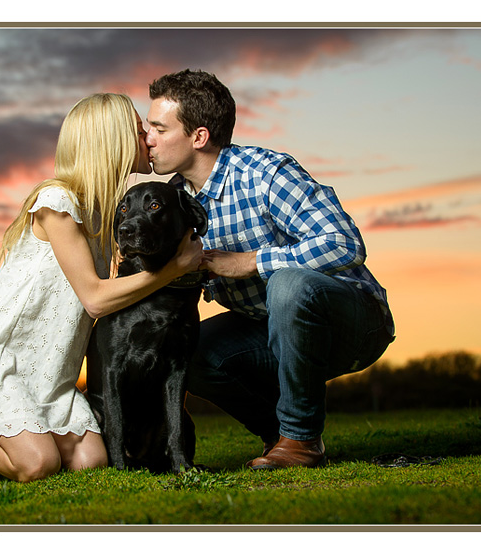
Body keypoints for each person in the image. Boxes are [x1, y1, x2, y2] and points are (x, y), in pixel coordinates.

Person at [0, 93, 204, 483]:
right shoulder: (57, 202)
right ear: (114, 142)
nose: (150, 140)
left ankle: (12, 427)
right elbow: (94, 298)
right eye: (141, 132)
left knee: (92, 462)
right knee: (38, 465)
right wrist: (173, 270)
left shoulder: (109, 214)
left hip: (50, 369)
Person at [145, 69, 395, 470]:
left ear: (199, 137)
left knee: (289, 285)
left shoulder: (265, 174)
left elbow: (345, 244)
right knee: (183, 348)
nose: (148, 139)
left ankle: (301, 440)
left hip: (352, 322)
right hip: (265, 329)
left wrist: (252, 262)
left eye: (157, 127)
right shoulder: (172, 201)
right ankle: (278, 438)